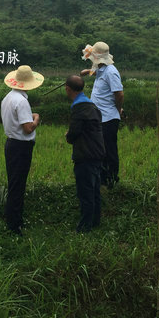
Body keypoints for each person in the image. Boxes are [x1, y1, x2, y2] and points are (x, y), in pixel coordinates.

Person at [0, 64, 44, 235]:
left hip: (11, 144)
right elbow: (28, 128)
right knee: (18, 186)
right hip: (21, 147)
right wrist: (37, 118)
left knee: (14, 183)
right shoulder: (21, 101)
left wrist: (30, 117)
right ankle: (14, 225)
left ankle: (12, 219)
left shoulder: (8, 98)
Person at [64, 74, 105, 232]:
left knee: (85, 192)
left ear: (68, 89)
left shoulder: (79, 108)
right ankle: (95, 222)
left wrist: (68, 136)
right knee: (94, 190)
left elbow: (74, 133)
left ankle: (84, 227)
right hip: (97, 153)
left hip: (86, 155)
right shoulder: (92, 106)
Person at [81, 41, 124, 188]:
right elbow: (96, 71)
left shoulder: (111, 72)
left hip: (109, 117)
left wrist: (118, 109)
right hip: (100, 117)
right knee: (100, 149)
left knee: (109, 150)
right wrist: (87, 71)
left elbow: (119, 94)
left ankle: (112, 179)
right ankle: (103, 178)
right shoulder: (102, 68)